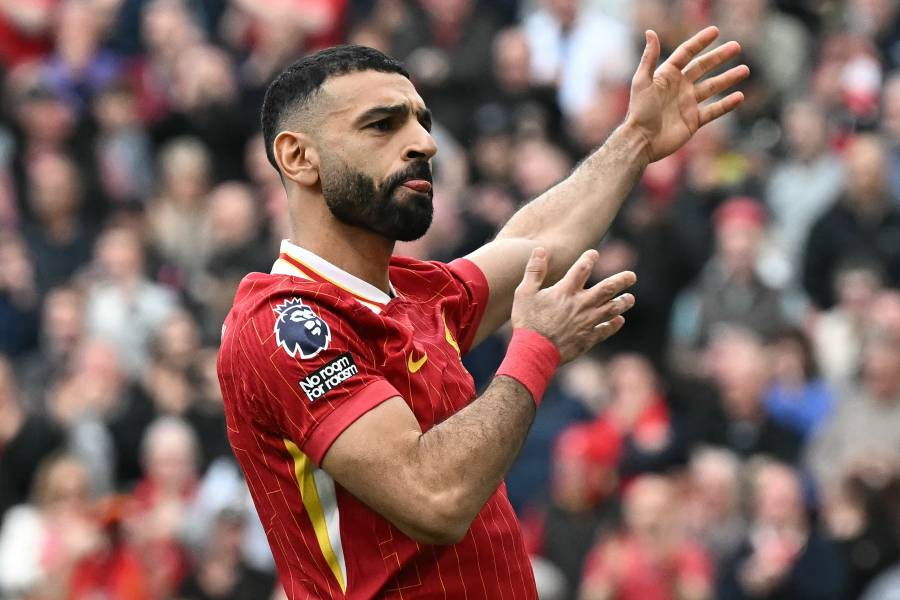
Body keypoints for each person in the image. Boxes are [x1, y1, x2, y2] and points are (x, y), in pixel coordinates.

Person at [217, 29, 748, 598]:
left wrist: (636, 137)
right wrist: (536, 349)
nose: (425, 143)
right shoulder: (284, 324)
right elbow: (433, 497)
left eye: (421, 121)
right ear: (299, 157)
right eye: (382, 125)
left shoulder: (410, 293)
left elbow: (537, 244)